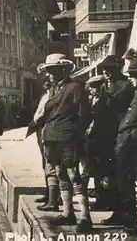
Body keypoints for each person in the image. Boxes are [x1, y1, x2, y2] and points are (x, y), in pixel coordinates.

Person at [40, 53, 92, 233]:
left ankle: (85, 217)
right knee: (60, 172)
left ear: (63, 69)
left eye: (52, 70)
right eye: (48, 71)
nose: (49, 74)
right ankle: (68, 212)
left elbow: (84, 114)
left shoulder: (75, 87)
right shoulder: (54, 89)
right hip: (53, 138)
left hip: (68, 137)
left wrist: (76, 134)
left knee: (73, 173)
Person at [103, 55, 137, 235]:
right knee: (131, 183)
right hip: (128, 146)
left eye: (134, 75)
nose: (130, 78)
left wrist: (134, 135)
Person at [98, 57, 134, 214]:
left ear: (118, 69)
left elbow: (112, 106)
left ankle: (127, 213)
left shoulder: (125, 86)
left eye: (109, 69)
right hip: (107, 135)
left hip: (119, 133)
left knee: (123, 176)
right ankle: (117, 211)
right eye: (104, 69)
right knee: (111, 175)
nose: (105, 72)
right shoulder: (106, 86)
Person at [84, 75, 112, 210]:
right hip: (92, 141)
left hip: (102, 140)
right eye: (91, 88)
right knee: (95, 171)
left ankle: (104, 200)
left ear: (101, 86)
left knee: (102, 172)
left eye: (94, 87)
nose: (91, 90)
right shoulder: (92, 100)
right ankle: (100, 199)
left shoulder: (106, 100)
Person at [32, 75, 60, 211]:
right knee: (46, 163)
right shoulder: (46, 94)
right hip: (41, 130)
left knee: (51, 164)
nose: (46, 83)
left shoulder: (55, 94)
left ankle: (54, 197)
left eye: (48, 81)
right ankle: (49, 193)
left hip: (48, 129)